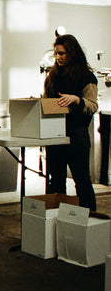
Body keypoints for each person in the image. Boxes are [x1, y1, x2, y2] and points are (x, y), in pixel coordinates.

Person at [43, 34, 98, 211]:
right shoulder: (52, 77)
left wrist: (76, 100)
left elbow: (92, 105)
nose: (58, 57)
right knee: (56, 181)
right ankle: (56, 221)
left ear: (72, 53)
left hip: (76, 135)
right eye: (56, 54)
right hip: (54, 135)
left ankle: (90, 221)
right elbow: (46, 100)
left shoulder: (85, 77)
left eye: (62, 53)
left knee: (81, 181)